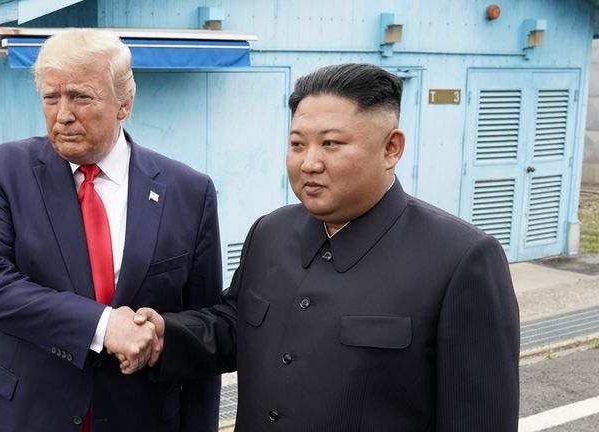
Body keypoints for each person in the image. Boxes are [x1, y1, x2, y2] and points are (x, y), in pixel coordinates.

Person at [132, 63, 520, 431]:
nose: (309, 163)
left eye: (331, 143)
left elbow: (478, 418)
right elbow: (236, 325)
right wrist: (163, 335)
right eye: (297, 144)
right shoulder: (271, 231)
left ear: (391, 148)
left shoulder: (460, 259)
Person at [0, 29, 222, 432]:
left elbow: (202, 332)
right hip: (27, 414)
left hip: (142, 418)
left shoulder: (189, 191)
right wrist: (102, 326)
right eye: (51, 98)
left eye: (80, 97)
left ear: (124, 104)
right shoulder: (2, 172)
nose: (62, 115)